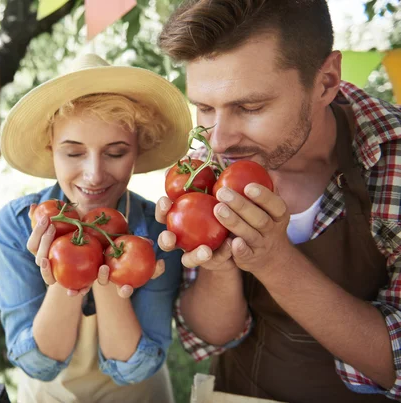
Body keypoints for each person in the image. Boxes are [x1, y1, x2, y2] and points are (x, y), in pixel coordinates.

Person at [154, 1, 401, 402]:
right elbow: (209, 338)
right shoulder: (202, 170)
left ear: (325, 81)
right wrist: (219, 268)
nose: (219, 140)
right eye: (204, 108)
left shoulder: (392, 158)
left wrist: (274, 261)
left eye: (250, 107)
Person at [0, 53, 192, 403]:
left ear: (136, 152)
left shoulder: (161, 230)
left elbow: (136, 368)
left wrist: (106, 274)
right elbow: (38, 364)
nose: (94, 175)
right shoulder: (15, 226)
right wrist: (62, 269)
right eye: (73, 153)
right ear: (50, 147)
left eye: (115, 152)